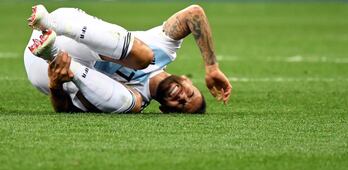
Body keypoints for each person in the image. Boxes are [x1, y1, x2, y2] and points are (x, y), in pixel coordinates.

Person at [24, 4, 232, 113]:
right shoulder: (165, 49)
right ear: (188, 80)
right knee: (144, 56)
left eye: (183, 106)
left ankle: (51, 52)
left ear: (165, 110)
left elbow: (66, 110)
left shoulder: (135, 98)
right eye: (191, 94)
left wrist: (55, 85)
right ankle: (51, 24)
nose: (183, 97)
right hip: (67, 26)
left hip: (43, 64)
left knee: (134, 105)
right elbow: (194, 13)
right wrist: (212, 67)